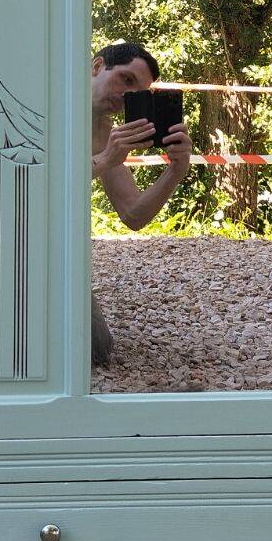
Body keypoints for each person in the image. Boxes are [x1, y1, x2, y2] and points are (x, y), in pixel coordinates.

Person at [90, 40, 193, 366]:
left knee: (97, 350)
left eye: (138, 91)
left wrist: (175, 171)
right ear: (96, 67)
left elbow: (133, 215)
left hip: (64, 262)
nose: (127, 95)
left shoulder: (107, 133)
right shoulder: (49, 105)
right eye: (125, 79)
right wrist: (104, 160)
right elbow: (36, 184)